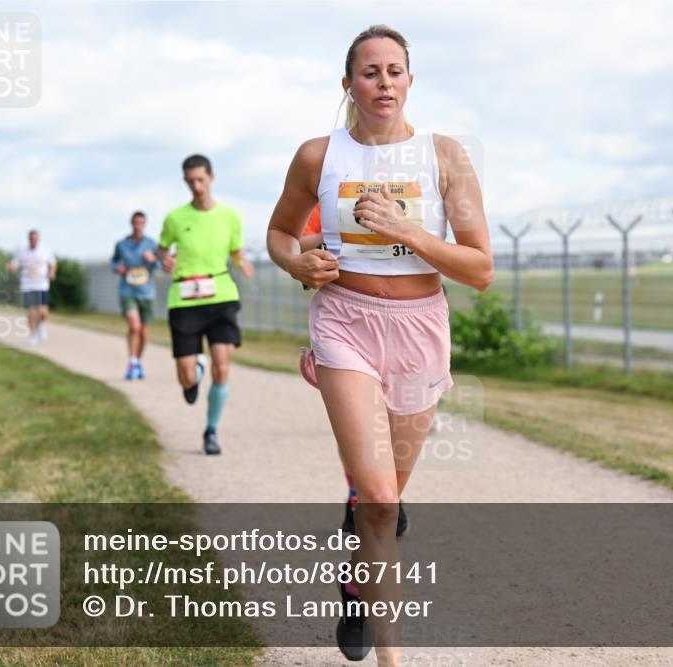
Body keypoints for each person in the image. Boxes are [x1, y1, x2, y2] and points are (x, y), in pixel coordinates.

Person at [267, 25, 492, 665]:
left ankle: (354, 579)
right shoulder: (318, 155)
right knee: (384, 499)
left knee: (380, 503)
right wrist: (294, 264)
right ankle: (394, 659)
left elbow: (479, 268)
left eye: (395, 71)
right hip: (345, 321)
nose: (383, 82)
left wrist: (407, 231)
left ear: (410, 82)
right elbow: (281, 233)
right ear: (349, 84)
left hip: (421, 329)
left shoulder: (444, 155)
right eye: (370, 72)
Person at [298, 204, 408, 539]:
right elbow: (296, 245)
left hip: (409, 314)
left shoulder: (417, 180)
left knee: (393, 423)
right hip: (347, 320)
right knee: (359, 427)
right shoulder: (326, 196)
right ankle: (360, 493)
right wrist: (341, 231)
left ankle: (387, 493)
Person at [157, 154, 254, 455]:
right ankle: (195, 369)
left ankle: (211, 431)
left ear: (211, 177)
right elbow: (161, 250)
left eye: (201, 179)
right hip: (185, 299)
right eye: (190, 182)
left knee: (222, 367)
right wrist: (165, 259)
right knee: (187, 377)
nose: (196, 186)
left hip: (222, 295)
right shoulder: (175, 218)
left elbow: (236, 250)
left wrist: (243, 261)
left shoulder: (230, 216)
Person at [110, 211, 160, 380]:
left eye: (141, 223)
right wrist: (117, 268)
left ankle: (137, 361)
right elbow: (113, 262)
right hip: (127, 290)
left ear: (145, 224)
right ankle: (131, 362)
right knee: (134, 326)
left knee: (144, 332)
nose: (138, 226)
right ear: (131, 224)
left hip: (146, 293)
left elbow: (160, 264)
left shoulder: (152, 244)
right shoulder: (122, 244)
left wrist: (152, 260)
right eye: (135, 223)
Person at [8, 230, 57, 346]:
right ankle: (33, 335)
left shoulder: (45, 250)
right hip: (27, 285)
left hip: (41, 285)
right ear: (29, 239)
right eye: (31, 239)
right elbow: (15, 264)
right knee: (31, 312)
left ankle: (40, 326)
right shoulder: (21, 251)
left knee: (43, 312)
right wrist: (11, 267)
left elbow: (53, 263)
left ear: (38, 239)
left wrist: (52, 271)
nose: (33, 241)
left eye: (36, 238)